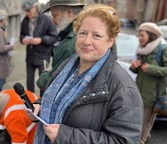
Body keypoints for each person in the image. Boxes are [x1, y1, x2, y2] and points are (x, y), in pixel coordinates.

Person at [28, 4, 143, 144]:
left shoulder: (124, 88)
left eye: (97, 35)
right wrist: (40, 106)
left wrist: (66, 136)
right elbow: (60, 97)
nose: (87, 41)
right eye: (83, 33)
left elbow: (124, 141)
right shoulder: (67, 66)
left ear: (110, 41)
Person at [36, 0, 87, 93]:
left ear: (70, 12)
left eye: (55, 15)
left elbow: (48, 82)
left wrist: (44, 74)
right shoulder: (80, 31)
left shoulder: (71, 44)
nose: (53, 21)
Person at [129, 22, 167, 144]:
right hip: (139, 90)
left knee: (144, 120)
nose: (139, 38)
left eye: (142, 35)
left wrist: (150, 69)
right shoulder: (142, 49)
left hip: (152, 93)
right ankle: (143, 136)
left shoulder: (162, 49)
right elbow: (139, 69)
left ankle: (141, 140)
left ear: (151, 35)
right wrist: (134, 67)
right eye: (139, 35)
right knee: (138, 119)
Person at [20, 0, 58, 93]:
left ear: (35, 8)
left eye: (28, 10)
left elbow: (54, 37)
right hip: (30, 57)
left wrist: (41, 40)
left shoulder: (46, 19)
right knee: (29, 82)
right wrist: (23, 39)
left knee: (43, 83)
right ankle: (30, 100)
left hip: (43, 57)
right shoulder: (25, 20)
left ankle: (41, 102)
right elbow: (21, 35)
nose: (27, 13)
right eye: (25, 11)